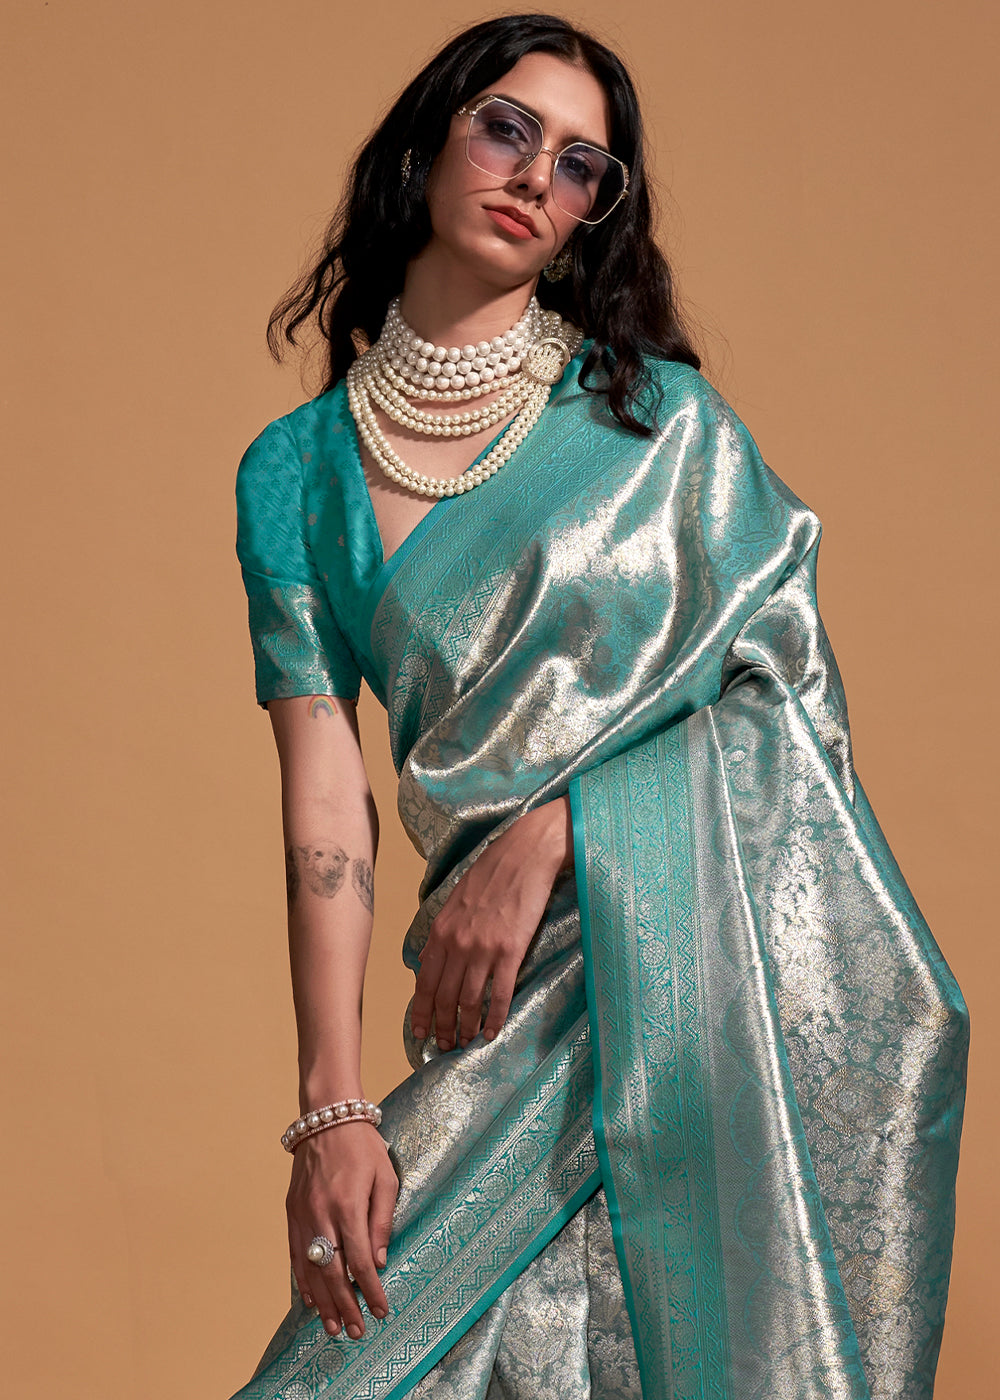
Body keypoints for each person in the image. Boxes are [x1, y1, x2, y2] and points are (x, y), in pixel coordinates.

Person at [229, 15, 968, 1400]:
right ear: (425, 146)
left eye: (581, 164)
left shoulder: (659, 426)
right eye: (508, 129)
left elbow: (788, 704)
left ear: (591, 215)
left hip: (693, 987)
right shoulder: (295, 472)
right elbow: (325, 803)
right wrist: (331, 1110)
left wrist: (562, 828)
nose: (535, 175)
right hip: (490, 1012)